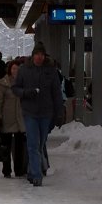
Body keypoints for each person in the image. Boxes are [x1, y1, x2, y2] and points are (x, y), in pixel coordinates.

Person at [12, 43, 63, 187]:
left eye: (41, 54)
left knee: (40, 145)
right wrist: (25, 93)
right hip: (30, 112)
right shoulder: (24, 70)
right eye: (37, 54)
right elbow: (15, 88)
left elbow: (56, 93)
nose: (39, 57)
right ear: (33, 55)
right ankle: (37, 175)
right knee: (33, 144)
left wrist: (59, 113)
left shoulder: (51, 71)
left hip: (46, 113)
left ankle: (31, 170)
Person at [0, 59, 27, 178]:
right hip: (6, 118)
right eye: (14, 68)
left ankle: (19, 170)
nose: (15, 71)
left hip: (20, 119)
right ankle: (6, 170)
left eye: (18, 69)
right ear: (10, 69)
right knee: (5, 146)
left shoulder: (24, 83)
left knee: (19, 147)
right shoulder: (2, 83)